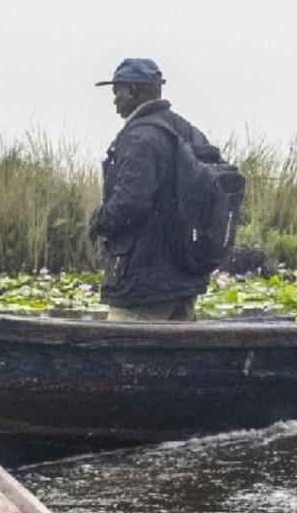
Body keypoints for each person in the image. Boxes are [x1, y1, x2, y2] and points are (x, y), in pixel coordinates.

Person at [87, 57, 220, 321]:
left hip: (143, 285)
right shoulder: (187, 131)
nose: (115, 100)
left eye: (117, 91)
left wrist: (99, 220)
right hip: (185, 277)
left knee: (121, 359)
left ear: (133, 91)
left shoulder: (138, 137)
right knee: (179, 360)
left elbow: (131, 204)